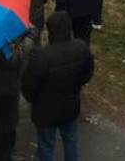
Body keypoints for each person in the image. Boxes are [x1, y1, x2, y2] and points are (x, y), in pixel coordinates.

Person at [21, 11, 95, 161]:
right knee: (71, 142)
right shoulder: (81, 48)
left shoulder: (42, 57)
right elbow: (87, 74)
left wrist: (35, 101)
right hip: (70, 107)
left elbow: (29, 87)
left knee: (46, 148)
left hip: (45, 112)